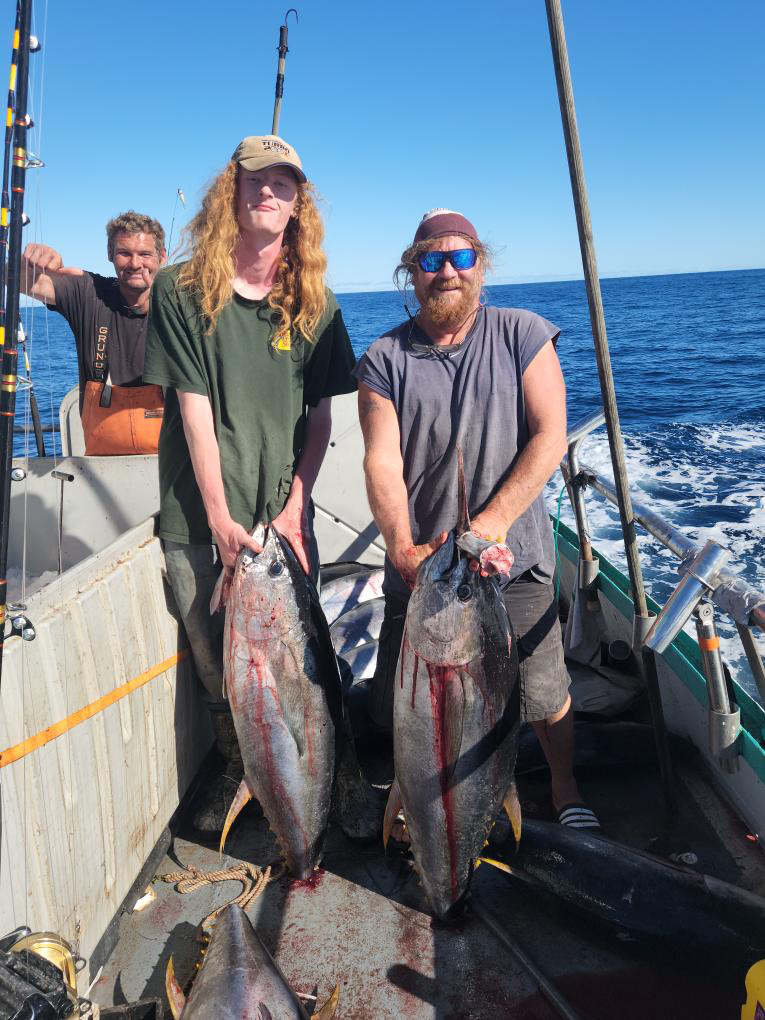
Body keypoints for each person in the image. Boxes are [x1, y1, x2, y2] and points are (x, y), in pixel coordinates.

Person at [143, 134, 370, 833]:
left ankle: (338, 782)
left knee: (304, 665)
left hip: (282, 519)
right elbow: (194, 409)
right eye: (254, 180)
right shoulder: (180, 290)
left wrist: (298, 500)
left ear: (299, 202)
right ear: (230, 193)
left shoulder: (315, 302)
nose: (267, 192)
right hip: (199, 513)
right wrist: (217, 516)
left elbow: (322, 414)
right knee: (222, 668)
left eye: (283, 182)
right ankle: (242, 770)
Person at [355, 208, 600, 832]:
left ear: (480, 265)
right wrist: (403, 548)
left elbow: (550, 437)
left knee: (542, 692)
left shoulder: (523, 332)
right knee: (410, 705)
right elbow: (382, 462)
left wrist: (491, 523)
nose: (446, 272)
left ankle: (565, 789)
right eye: (431, 260)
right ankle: (421, 799)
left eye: (460, 257)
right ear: (411, 272)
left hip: (512, 561)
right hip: (425, 568)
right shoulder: (384, 358)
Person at [21, 212, 167, 455]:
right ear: (110, 254)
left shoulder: (180, 304)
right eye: (124, 253)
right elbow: (18, 278)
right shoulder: (89, 292)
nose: (134, 263)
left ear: (162, 257)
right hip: (101, 466)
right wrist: (34, 264)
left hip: (168, 465)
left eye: (145, 254)